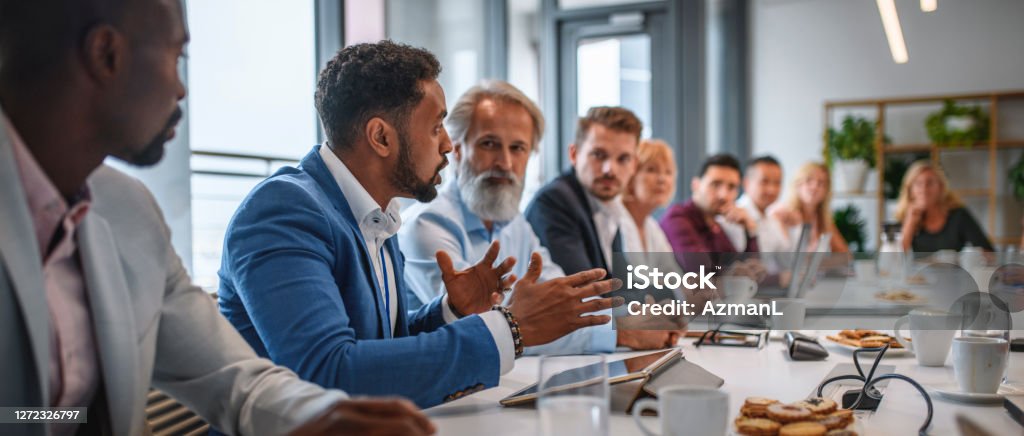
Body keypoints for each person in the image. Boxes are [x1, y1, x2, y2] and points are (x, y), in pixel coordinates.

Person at [0, 1, 435, 435]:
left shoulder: (129, 211)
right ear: (105, 54)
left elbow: (235, 379)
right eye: (177, 57)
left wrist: (313, 415)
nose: (181, 90)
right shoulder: (289, 208)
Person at [217, 41, 622, 409]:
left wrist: (450, 311)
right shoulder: (284, 211)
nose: (448, 144)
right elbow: (328, 373)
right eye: (435, 127)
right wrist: (511, 328)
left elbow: (380, 346)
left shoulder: (377, 213)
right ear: (381, 137)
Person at [401, 82, 671, 354]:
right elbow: (485, 328)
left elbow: (562, 297)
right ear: (456, 149)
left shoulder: (513, 221)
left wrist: (646, 319)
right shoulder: (428, 224)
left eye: (518, 148)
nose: (505, 162)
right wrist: (620, 331)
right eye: (489, 144)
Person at [525, 107, 681, 349]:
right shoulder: (555, 203)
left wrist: (662, 310)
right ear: (574, 154)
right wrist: (650, 313)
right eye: (599, 155)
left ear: (634, 164)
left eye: (623, 159)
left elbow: (627, 285)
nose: (610, 169)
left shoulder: (610, 208)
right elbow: (585, 293)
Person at [660, 154, 760, 270]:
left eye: (731, 187)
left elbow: (750, 269)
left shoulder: (715, 226)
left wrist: (750, 230)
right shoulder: (676, 219)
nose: (723, 195)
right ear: (696, 185)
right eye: (715, 184)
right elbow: (701, 269)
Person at [895, 160, 994, 252]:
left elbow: (988, 251)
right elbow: (895, 260)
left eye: (930, 183)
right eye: (918, 184)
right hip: (919, 271)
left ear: (941, 187)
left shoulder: (959, 215)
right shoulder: (905, 218)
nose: (924, 189)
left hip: (954, 270)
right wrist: (910, 224)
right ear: (910, 190)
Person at [771, 162, 850, 253]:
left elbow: (846, 255)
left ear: (826, 191)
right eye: (808, 181)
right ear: (797, 185)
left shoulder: (823, 221)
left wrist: (819, 262)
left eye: (821, 183)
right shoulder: (782, 213)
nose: (814, 187)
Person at [620, 139, 677, 258]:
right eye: (651, 170)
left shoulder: (651, 227)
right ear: (631, 176)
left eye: (668, 172)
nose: (662, 179)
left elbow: (673, 273)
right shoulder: (616, 222)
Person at [735, 155, 791, 253]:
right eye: (764, 182)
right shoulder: (736, 219)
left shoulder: (771, 218)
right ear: (746, 183)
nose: (771, 190)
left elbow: (786, 257)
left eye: (777, 183)